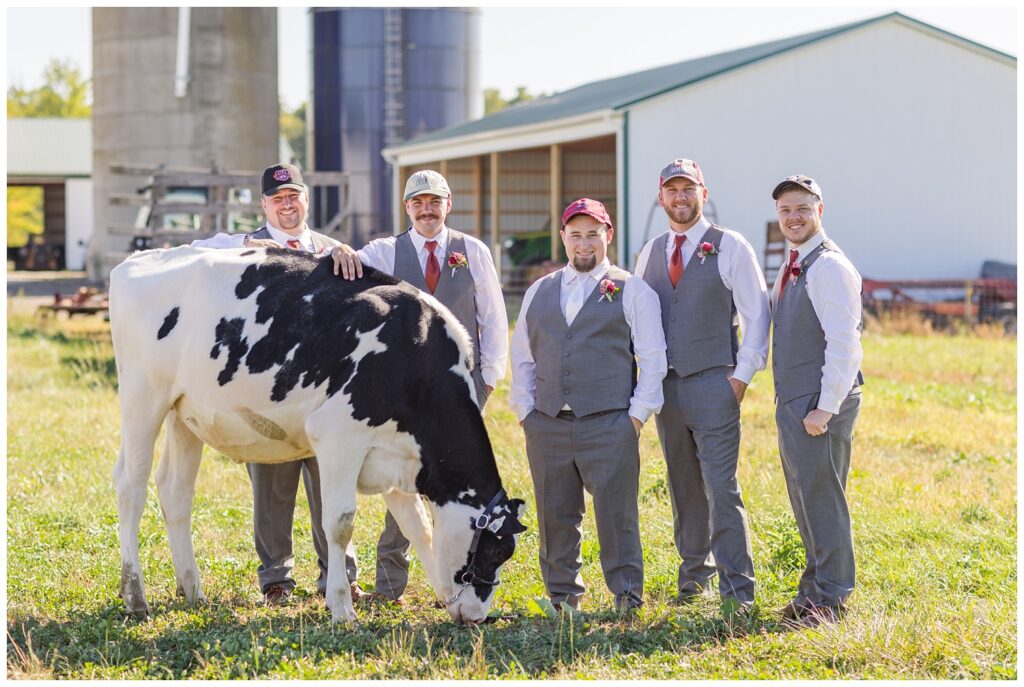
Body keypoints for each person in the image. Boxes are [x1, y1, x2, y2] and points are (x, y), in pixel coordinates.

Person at [331, 169, 509, 604]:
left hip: (462, 391)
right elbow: (342, 261)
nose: (426, 210)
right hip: (407, 397)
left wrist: (487, 380)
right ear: (406, 208)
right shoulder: (386, 252)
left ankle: (458, 578)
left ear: (448, 204)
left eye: (434, 202)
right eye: (417, 203)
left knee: (456, 486)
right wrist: (335, 246)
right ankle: (391, 584)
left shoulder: (473, 251)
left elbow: (493, 317)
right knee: (405, 481)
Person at [191, 162, 359, 605]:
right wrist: (243, 242)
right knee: (271, 488)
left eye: (294, 197)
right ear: (265, 204)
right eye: (278, 200)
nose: (287, 206)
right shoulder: (243, 249)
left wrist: (343, 248)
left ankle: (339, 573)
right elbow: (196, 248)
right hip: (268, 388)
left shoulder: (332, 250)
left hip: (326, 390)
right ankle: (276, 578)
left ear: (305, 199)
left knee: (333, 482)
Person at [510, 198, 666, 612]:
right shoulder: (538, 291)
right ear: (563, 237)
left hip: (609, 423)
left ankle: (627, 597)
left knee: (617, 517)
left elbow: (652, 360)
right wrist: (526, 412)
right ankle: (562, 597)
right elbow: (523, 357)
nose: (584, 243)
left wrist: (634, 418)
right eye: (575, 234)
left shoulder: (632, 289)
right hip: (547, 425)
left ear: (608, 236)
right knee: (555, 516)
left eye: (593, 234)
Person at [634, 158, 771, 613]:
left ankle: (738, 590)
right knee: (682, 484)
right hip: (667, 391)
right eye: (672, 190)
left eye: (688, 189)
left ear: (703, 194)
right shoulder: (649, 252)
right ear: (661, 197)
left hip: (715, 381)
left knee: (721, 486)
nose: (680, 197)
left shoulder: (730, 246)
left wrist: (740, 378)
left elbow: (757, 315)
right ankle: (695, 579)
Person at [770, 175, 863, 627]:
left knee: (823, 497)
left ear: (820, 210)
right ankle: (812, 590)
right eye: (786, 210)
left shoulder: (829, 266)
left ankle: (833, 597)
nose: (793, 217)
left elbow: (845, 343)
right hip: (795, 399)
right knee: (804, 496)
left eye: (803, 208)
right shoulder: (795, 262)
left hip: (819, 403)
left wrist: (825, 407)